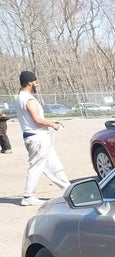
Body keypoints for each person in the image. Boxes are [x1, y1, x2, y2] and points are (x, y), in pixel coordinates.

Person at [17, 70, 70, 206]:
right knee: (36, 167)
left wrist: (52, 122)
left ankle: (68, 189)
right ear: (29, 83)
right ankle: (28, 196)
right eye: (35, 82)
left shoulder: (20, 97)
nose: (36, 84)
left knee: (54, 164)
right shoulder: (28, 99)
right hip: (37, 138)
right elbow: (37, 120)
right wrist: (53, 124)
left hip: (37, 137)